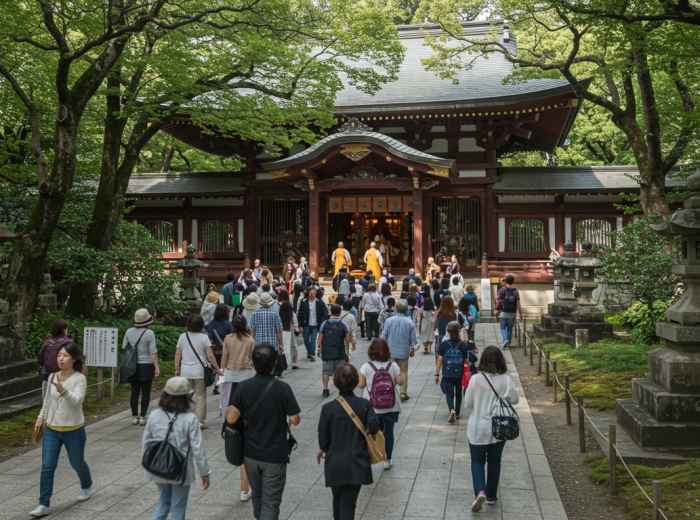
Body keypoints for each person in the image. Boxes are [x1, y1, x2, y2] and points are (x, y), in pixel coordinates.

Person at [226, 345, 301, 520]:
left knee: (258, 498)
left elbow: (230, 418)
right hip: (275, 454)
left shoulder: (243, 387)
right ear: (275, 363)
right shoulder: (283, 388)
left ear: (253, 362)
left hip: (250, 454)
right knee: (271, 502)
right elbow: (295, 418)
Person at [31, 343, 92, 518]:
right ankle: (43, 503)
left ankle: (86, 484)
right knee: (47, 466)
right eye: (59, 355)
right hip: (52, 429)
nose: (60, 358)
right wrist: (41, 417)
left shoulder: (79, 378)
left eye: (65, 356)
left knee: (77, 462)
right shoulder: (51, 377)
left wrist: (63, 390)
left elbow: (77, 402)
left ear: (73, 359)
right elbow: (47, 401)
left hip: (74, 430)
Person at [317, 364, 379, 520]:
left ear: (336, 382)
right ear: (356, 381)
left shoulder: (328, 408)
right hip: (356, 462)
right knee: (348, 504)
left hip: (335, 463)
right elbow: (374, 427)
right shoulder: (365, 405)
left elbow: (323, 442)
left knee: (337, 500)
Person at [143, 377, 210, 520]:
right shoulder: (190, 419)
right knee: (178, 507)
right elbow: (198, 449)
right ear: (186, 397)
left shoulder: (154, 415)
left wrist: (148, 464)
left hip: (158, 467)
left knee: (163, 502)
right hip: (180, 470)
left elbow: (146, 442)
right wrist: (204, 472)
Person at [463, 346, 519, 511]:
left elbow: (468, 404)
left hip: (477, 427)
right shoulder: (506, 379)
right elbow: (515, 399)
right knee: (494, 462)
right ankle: (492, 495)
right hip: (499, 428)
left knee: (477, 461)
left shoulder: (475, 379)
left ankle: (480, 491)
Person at [219, 315, 255, 501]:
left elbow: (224, 357)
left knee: (230, 402)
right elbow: (252, 358)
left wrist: (222, 371)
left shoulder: (228, 339)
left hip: (231, 375)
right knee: (247, 405)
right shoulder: (250, 340)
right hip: (247, 375)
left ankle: (230, 423)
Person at [358, 339, 402, 470]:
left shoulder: (366, 367)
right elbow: (400, 381)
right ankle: (387, 460)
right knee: (389, 433)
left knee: (370, 433)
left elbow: (361, 384)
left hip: (372, 407)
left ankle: (370, 456)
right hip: (391, 407)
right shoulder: (393, 366)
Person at [175, 315, 221, 428]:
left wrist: (177, 368)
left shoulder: (182, 336)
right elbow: (210, 355)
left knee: (185, 396)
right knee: (200, 396)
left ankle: (184, 419)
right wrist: (217, 368)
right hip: (199, 371)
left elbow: (178, 354)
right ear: (201, 325)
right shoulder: (204, 337)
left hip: (185, 371)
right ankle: (199, 421)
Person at [122, 308, 160, 425]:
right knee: (146, 392)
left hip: (132, 366)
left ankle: (134, 416)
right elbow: (153, 352)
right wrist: (157, 367)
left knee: (134, 391)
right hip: (146, 365)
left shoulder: (128, 332)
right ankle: (143, 416)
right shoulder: (149, 333)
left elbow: (124, 347)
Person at [436, 321, 478, 423]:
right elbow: (466, 360)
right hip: (459, 373)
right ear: (459, 331)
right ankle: (458, 412)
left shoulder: (444, 344)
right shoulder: (463, 345)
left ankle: (451, 410)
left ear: (448, 332)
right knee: (458, 392)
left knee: (449, 393)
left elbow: (440, 359)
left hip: (447, 373)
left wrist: (437, 373)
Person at [381, 301, 416, 402]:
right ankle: (403, 392)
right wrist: (412, 349)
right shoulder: (410, 322)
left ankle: (389, 390)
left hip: (390, 350)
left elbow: (384, 335)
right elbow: (413, 339)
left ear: (396, 309)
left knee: (390, 370)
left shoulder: (389, 321)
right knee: (403, 371)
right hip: (403, 351)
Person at [317, 304, 349, 398]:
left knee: (326, 372)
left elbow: (320, 337)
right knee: (340, 373)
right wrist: (348, 351)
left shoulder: (325, 323)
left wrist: (319, 348)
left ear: (331, 312)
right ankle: (341, 389)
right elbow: (347, 340)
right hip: (340, 352)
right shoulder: (343, 324)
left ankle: (325, 389)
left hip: (327, 352)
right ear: (339, 312)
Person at [38, 319, 72, 396]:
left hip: (48, 377)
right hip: (64, 379)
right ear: (64, 330)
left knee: (47, 405)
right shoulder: (68, 342)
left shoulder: (48, 342)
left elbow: (40, 359)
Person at [206, 304, 233, 396]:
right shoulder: (228, 324)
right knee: (224, 368)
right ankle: (220, 386)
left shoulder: (210, 324)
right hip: (225, 350)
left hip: (214, 350)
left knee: (216, 368)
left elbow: (209, 338)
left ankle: (216, 384)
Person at [298, 286, 329, 362]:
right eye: (311, 293)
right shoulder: (304, 301)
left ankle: (312, 354)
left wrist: (322, 321)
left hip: (315, 324)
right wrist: (300, 325)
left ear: (316, 294)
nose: (312, 295)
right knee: (305, 339)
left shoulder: (319, 302)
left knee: (313, 339)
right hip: (306, 324)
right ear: (308, 294)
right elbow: (300, 314)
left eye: (314, 293)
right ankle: (309, 352)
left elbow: (325, 312)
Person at [496, 274, 521, 349]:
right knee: (510, 329)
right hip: (512, 313)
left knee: (503, 327)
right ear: (513, 282)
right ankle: (508, 344)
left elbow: (498, 301)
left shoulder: (502, 290)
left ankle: (505, 340)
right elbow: (518, 303)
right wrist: (520, 313)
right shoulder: (516, 291)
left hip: (503, 312)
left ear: (506, 281)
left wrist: (496, 309)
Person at [278, 290, 300, 370]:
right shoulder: (289, 305)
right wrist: (296, 327)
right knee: (293, 345)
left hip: (283, 327)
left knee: (285, 345)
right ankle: (294, 362)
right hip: (290, 326)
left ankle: (286, 362)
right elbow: (293, 317)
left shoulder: (280, 305)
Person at [418, 283, 436, 354]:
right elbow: (434, 313)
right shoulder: (432, 309)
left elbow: (421, 315)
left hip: (424, 322)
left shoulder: (423, 309)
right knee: (431, 335)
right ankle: (430, 348)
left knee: (424, 334)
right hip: (431, 322)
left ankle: (425, 347)